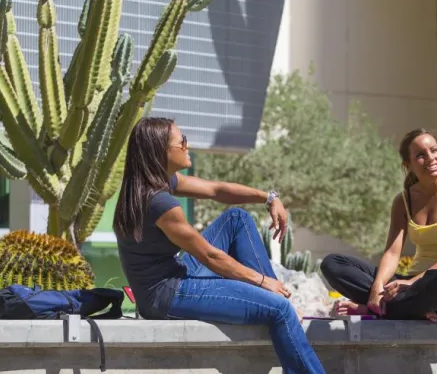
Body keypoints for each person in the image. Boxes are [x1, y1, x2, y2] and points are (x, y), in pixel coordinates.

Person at [113, 117, 325, 374]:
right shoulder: (160, 203)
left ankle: (274, 298)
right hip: (165, 296)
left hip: (175, 275)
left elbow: (216, 189)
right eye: (182, 142)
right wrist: (261, 281)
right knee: (279, 309)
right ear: (161, 152)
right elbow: (210, 257)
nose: (187, 146)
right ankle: (278, 303)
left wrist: (269, 197)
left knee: (237, 219)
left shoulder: (155, 182)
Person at [320, 128, 437, 322]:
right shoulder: (403, 200)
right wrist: (378, 286)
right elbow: (393, 253)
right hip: (409, 285)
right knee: (333, 264)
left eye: (434, 150)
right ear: (408, 165)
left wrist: (411, 283)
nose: (430, 158)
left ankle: (378, 310)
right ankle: (404, 309)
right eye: (420, 155)